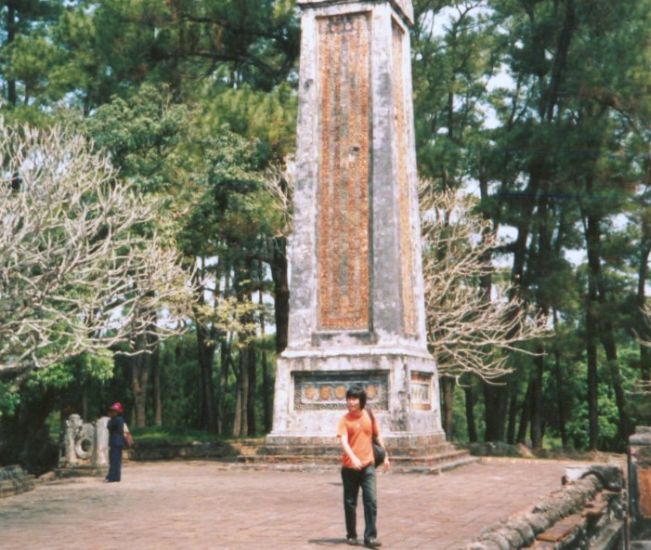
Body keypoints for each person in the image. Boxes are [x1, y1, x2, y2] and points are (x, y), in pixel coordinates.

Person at [337, 386, 390, 548]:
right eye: (349, 399)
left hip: (368, 465)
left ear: (361, 401)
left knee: (371, 501)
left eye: (355, 399)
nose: (351, 402)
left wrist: (386, 456)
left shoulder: (369, 416)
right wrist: (352, 457)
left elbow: (377, 436)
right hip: (349, 468)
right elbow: (344, 441)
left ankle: (370, 537)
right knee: (350, 502)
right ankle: (351, 534)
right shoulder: (344, 420)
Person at [106, 402, 125, 482]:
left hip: (115, 441)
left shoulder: (115, 420)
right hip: (119, 442)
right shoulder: (121, 419)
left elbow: (108, 426)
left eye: (114, 411)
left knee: (113, 459)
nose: (112, 412)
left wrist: (110, 418)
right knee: (117, 460)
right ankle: (116, 476)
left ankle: (112, 477)